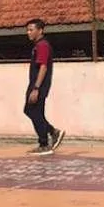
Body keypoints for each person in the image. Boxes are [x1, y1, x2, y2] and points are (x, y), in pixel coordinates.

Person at [25, 19, 65, 156]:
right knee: (33, 111)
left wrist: (36, 88)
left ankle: (46, 142)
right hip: (36, 84)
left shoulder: (42, 46)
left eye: (31, 30)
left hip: (39, 85)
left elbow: (43, 66)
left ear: (40, 30)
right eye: (27, 30)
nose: (28, 32)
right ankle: (51, 134)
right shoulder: (38, 45)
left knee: (32, 111)